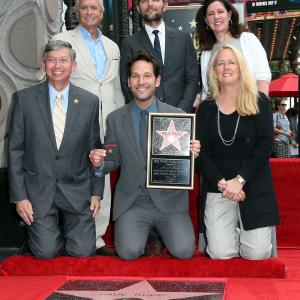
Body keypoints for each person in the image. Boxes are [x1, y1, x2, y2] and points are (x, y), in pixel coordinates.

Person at [90, 52, 200, 260]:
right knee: (129, 252)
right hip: (133, 201)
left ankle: (158, 232)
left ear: (157, 80)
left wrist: (192, 153)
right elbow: (112, 159)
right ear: (129, 81)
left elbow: (182, 165)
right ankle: (145, 231)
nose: (141, 82)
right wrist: (99, 162)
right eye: (135, 76)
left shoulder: (178, 117)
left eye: (147, 76)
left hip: (169, 202)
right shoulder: (115, 119)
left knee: (184, 251)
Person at [8, 40, 102, 259]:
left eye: (63, 60)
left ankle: (66, 235)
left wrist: (96, 192)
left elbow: (95, 150)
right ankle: (43, 237)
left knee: (83, 251)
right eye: (51, 60)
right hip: (38, 190)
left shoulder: (89, 102)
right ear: (43, 65)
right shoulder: (24, 100)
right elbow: (15, 151)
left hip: (76, 190)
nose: (57, 65)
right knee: (45, 251)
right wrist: (20, 197)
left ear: (73, 65)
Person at [52, 0, 125, 255]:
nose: (89, 12)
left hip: (108, 123)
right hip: (75, 120)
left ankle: (98, 237)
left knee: (101, 177)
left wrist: (121, 121)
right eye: (84, 7)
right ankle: (71, 232)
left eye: (95, 8)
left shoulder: (112, 46)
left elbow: (114, 86)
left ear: (102, 14)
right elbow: (54, 80)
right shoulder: (62, 40)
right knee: (75, 175)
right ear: (77, 12)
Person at [196, 45, 279, 260]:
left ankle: (246, 231)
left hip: (252, 184)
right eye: (220, 63)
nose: (226, 67)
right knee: (220, 254)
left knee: (257, 253)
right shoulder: (205, 109)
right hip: (219, 188)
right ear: (213, 71)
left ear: (241, 67)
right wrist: (225, 185)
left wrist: (239, 181)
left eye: (231, 62)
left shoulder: (259, 101)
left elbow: (265, 145)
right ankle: (230, 230)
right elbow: (200, 154)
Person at [120, 0, 199, 113]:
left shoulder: (183, 39)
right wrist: (143, 112)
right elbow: (126, 83)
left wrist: (180, 112)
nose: (150, 4)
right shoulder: (129, 44)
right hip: (145, 117)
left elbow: (192, 79)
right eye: (144, 1)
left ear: (165, 6)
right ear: (138, 8)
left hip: (180, 116)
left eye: (156, 0)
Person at [194, 0, 271, 109]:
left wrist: (259, 110)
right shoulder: (206, 52)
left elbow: (262, 78)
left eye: (220, 12)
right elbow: (207, 90)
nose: (216, 17)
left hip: (247, 110)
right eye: (211, 14)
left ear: (229, 15)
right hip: (218, 116)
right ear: (206, 20)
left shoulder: (248, 40)